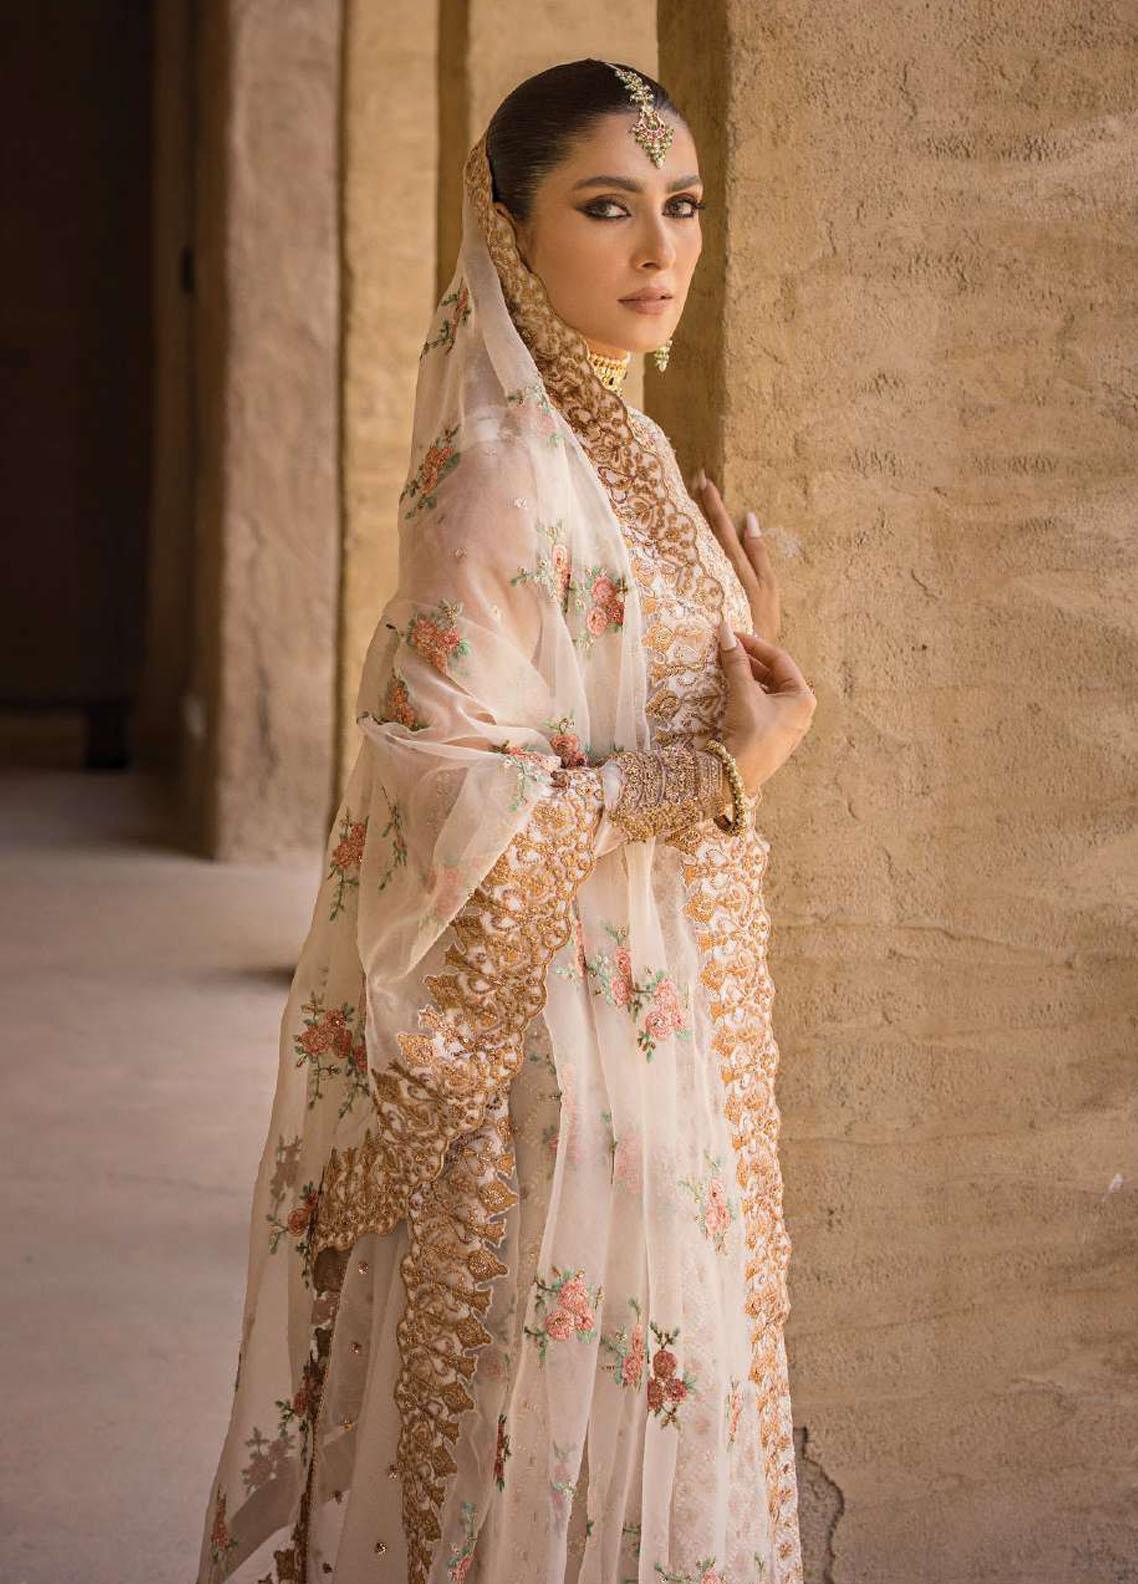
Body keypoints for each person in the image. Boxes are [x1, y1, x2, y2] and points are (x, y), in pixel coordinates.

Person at [195, 57, 816, 1584]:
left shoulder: (625, 449)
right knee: (533, 1419)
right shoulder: (498, 470)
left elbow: (617, 699)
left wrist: (731, 650)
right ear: (510, 231)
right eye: (606, 208)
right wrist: (718, 773)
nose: (660, 249)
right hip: (549, 1039)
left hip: (656, 1012)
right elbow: (451, 788)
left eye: (681, 205)